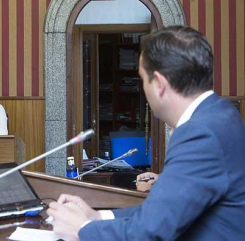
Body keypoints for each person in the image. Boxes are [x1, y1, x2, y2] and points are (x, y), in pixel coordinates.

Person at [47, 26, 245, 240]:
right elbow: (163, 211)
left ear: (159, 83)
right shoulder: (220, 114)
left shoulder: (200, 133)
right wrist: (98, 217)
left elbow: (150, 232)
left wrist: (82, 230)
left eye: (142, 79)